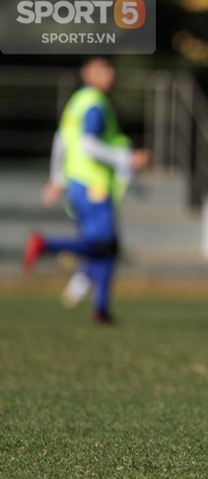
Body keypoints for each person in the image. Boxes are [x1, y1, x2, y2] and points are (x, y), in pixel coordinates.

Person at [23, 55, 150, 325]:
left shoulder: (77, 103)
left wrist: (57, 177)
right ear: (87, 74)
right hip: (94, 186)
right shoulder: (95, 103)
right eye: (103, 70)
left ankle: (101, 308)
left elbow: (61, 140)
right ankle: (46, 245)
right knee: (101, 242)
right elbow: (87, 145)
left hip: (78, 183)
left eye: (111, 69)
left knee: (109, 246)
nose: (110, 75)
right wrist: (127, 159)